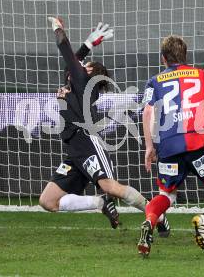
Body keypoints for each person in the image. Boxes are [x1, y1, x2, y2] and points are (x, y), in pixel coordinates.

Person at [39, 17, 169, 236]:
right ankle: (99, 203)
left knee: (110, 186)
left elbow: (64, 48)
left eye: (83, 65)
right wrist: (88, 44)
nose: (79, 65)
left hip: (86, 142)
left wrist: (57, 27)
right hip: (73, 150)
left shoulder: (81, 80)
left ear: (88, 71)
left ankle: (157, 214)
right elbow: (73, 61)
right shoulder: (77, 80)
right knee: (48, 201)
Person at [138, 35, 204, 257]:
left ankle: (149, 222)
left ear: (163, 58)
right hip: (197, 144)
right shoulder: (201, 73)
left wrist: (149, 147)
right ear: (186, 56)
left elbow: (147, 111)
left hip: (168, 147)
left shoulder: (154, 81)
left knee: (166, 194)